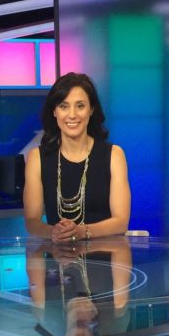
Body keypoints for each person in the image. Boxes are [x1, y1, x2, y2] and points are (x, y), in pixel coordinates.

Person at [23, 72, 130, 244]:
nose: (72, 115)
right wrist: (54, 232)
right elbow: (32, 222)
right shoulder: (37, 158)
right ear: (54, 111)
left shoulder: (114, 155)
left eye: (80, 106)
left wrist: (82, 231)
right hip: (57, 262)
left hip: (106, 258)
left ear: (91, 110)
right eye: (64, 106)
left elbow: (120, 222)